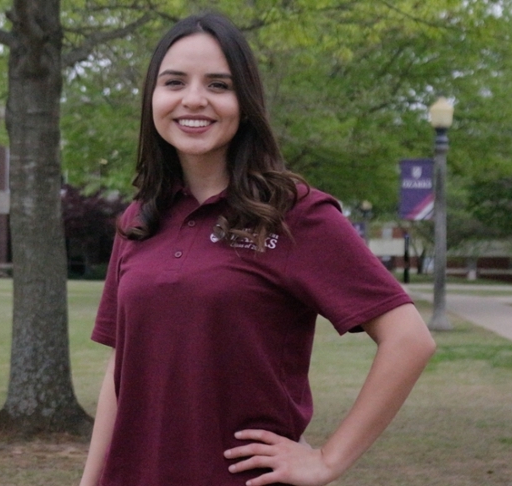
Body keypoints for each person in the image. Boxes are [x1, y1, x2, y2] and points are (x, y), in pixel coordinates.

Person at [79, 12, 435, 486]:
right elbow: (120, 370)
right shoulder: (140, 218)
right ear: (152, 99)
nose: (193, 99)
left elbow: (409, 340)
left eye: (218, 85)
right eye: (174, 82)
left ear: (245, 103)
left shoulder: (294, 212)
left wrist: (328, 460)